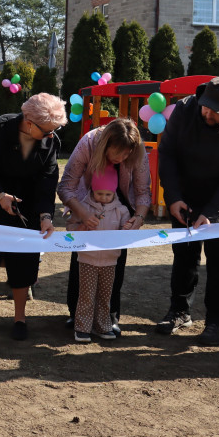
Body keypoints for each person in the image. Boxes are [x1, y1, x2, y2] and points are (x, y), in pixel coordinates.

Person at [156, 76, 219, 346]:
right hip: (186, 199)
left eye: (216, 110)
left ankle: (217, 321)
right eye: (205, 106)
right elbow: (167, 154)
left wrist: (213, 213)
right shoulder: (184, 110)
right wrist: (174, 197)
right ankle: (179, 311)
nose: (207, 113)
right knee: (184, 256)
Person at [0, 93, 66, 341]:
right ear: (29, 123)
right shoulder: (0, 128)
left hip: (26, 207)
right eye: (48, 130)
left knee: (23, 262)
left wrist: (45, 215)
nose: (52, 135)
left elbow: (47, 180)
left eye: (55, 130)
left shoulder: (51, 140)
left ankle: (20, 318)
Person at [58, 118, 150, 334]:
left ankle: (110, 314)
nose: (121, 159)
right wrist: (83, 213)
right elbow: (65, 187)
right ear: (105, 145)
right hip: (87, 200)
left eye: (126, 154)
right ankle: (77, 313)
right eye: (117, 153)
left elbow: (143, 191)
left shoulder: (137, 150)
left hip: (120, 203)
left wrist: (138, 217)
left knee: (115, 260)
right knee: (81, 258)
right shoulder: (88, 143)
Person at [67, 168, 130, 343]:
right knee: (86, 294)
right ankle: (82, 328)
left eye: (108, 194)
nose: (103, 197)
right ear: (93, 191)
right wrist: (80, 227)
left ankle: (103, 325)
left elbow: (127, 230)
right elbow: (70, 227)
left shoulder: (121, 210)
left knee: (105, 295)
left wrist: (127, 228)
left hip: (111, 261)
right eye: (99, 193)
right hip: (87, 259)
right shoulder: (84, 207)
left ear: (114, 192)